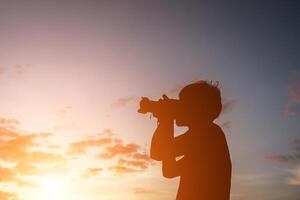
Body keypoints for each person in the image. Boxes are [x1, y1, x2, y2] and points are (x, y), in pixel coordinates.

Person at [150, 81, 231, 200]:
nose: (178, 106)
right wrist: (165, 119)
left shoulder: (208, 133)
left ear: (197, 108)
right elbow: (169, 170)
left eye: (182, 102)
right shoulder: (209, 134)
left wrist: (166, 118)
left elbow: (158, 152)